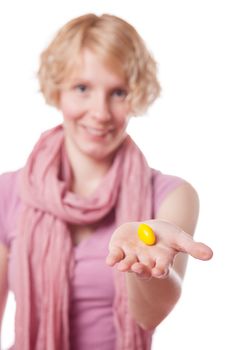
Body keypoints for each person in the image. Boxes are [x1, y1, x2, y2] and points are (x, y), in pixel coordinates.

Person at [0, 13, 213, 350]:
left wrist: (144, 266)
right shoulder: (7, 193)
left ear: (138, 95)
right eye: (82, 88)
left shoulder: (172, 195)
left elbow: (150, 315)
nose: (99, 112)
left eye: (118, 92)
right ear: (57, 90)